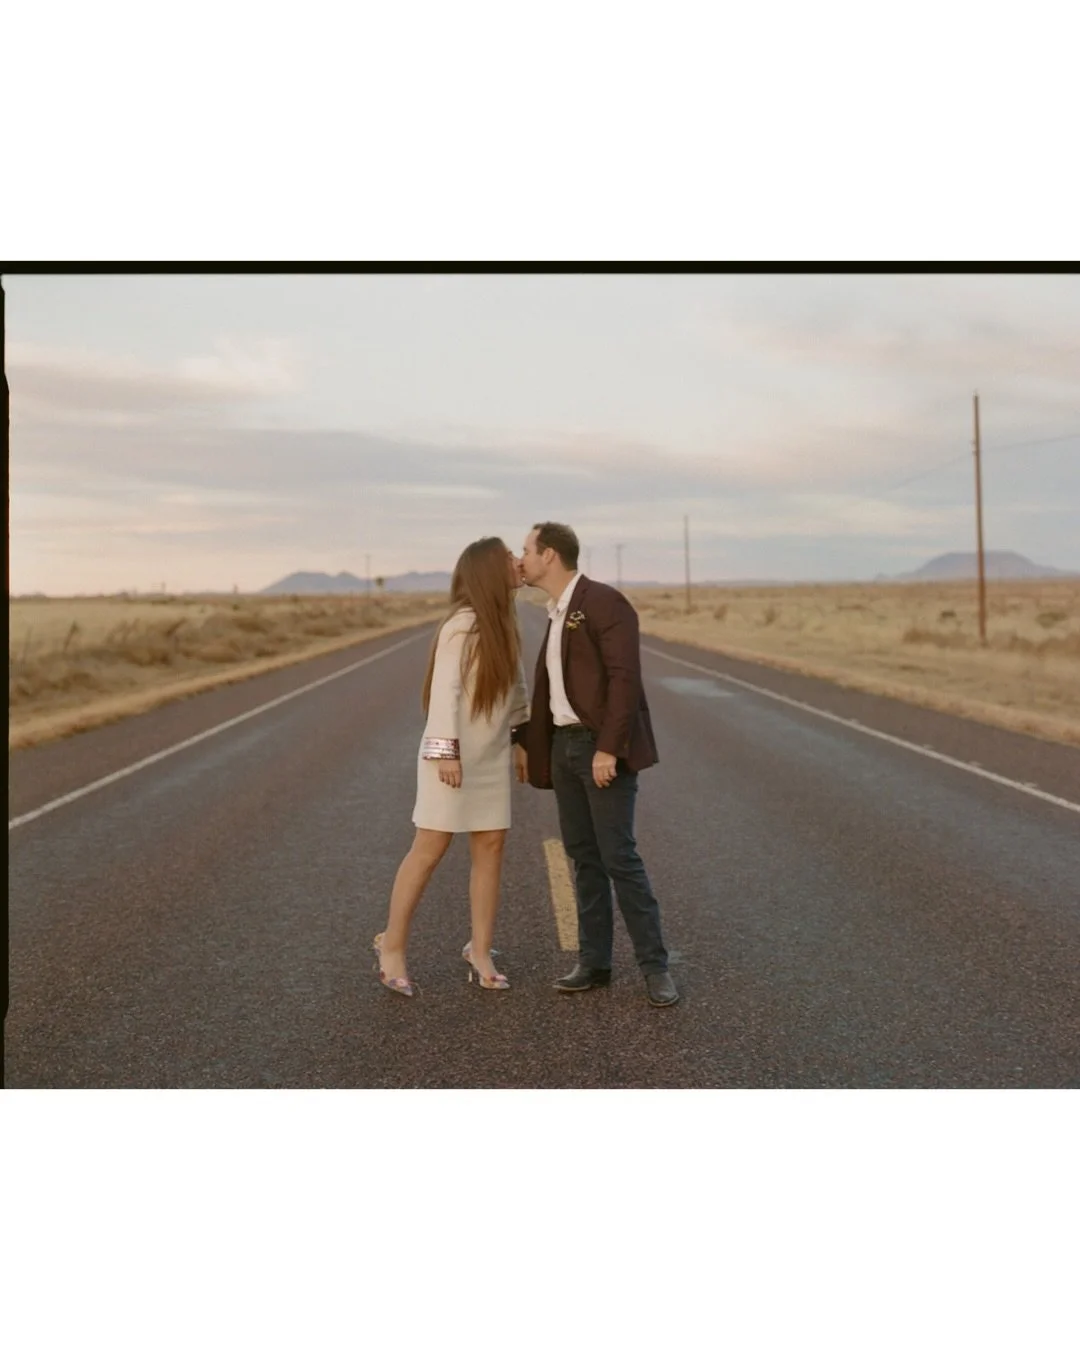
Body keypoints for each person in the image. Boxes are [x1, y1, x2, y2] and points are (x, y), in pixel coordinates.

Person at [518, 521, 678, 1007]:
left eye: (525, 550)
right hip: (566, 750)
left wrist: (609, 747)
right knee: (584, 859)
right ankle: (595, 963)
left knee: (619, 859)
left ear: (548, 555)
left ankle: (655, 968)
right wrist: (529, 744)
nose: (520, 558)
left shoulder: (605, 603)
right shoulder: (556, 611)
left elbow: (625, 679)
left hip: (598, 750)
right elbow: (553, 693)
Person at [373, 537, 529, 996]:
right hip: (452, 757)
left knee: (491, 846)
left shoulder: (503, 621)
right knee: (430, 848)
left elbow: (515, 689)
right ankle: (392, 946)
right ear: (487, 571)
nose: (517, 562)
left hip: (490, 754)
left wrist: (521, 739)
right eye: (507, 558)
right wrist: (447, 752)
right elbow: (446, 694)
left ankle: (480, 950)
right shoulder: (462, 626)